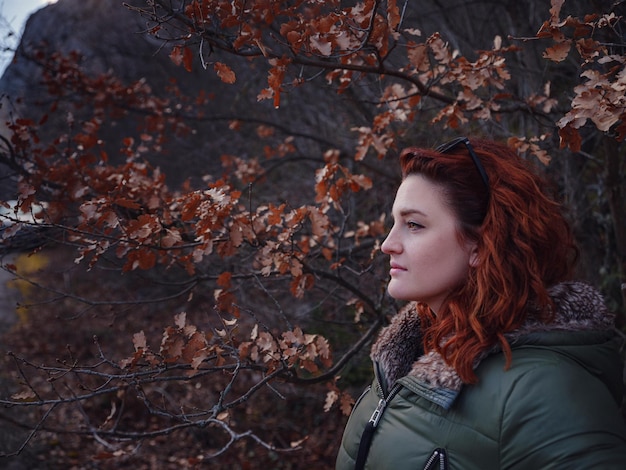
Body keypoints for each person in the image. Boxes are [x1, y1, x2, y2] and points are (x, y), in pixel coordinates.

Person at [335, 137, 626, 469]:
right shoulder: (403, 361)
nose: (388, 244)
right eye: (394, 223)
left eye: (413, 225)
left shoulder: (544, 390)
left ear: (479, 244)